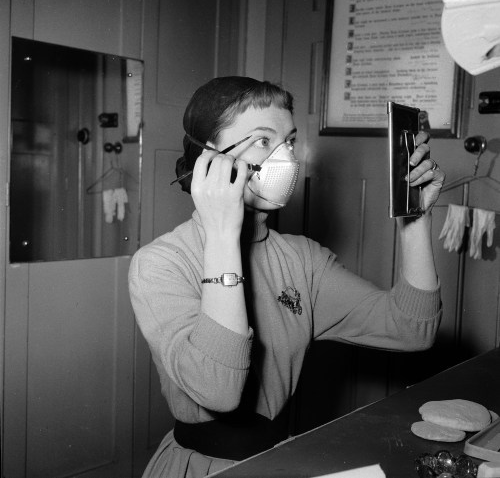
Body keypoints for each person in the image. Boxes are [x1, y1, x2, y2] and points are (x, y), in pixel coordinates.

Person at [128, 76, 445, 477]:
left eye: (290, 140)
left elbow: (411, 330)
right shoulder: (160, 263)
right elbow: (219, 392)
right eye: (263, 140)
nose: (286, 157)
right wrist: (223, 233)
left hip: (280, 460)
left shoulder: (301, 258)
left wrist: (416, 220)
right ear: (210, 159)